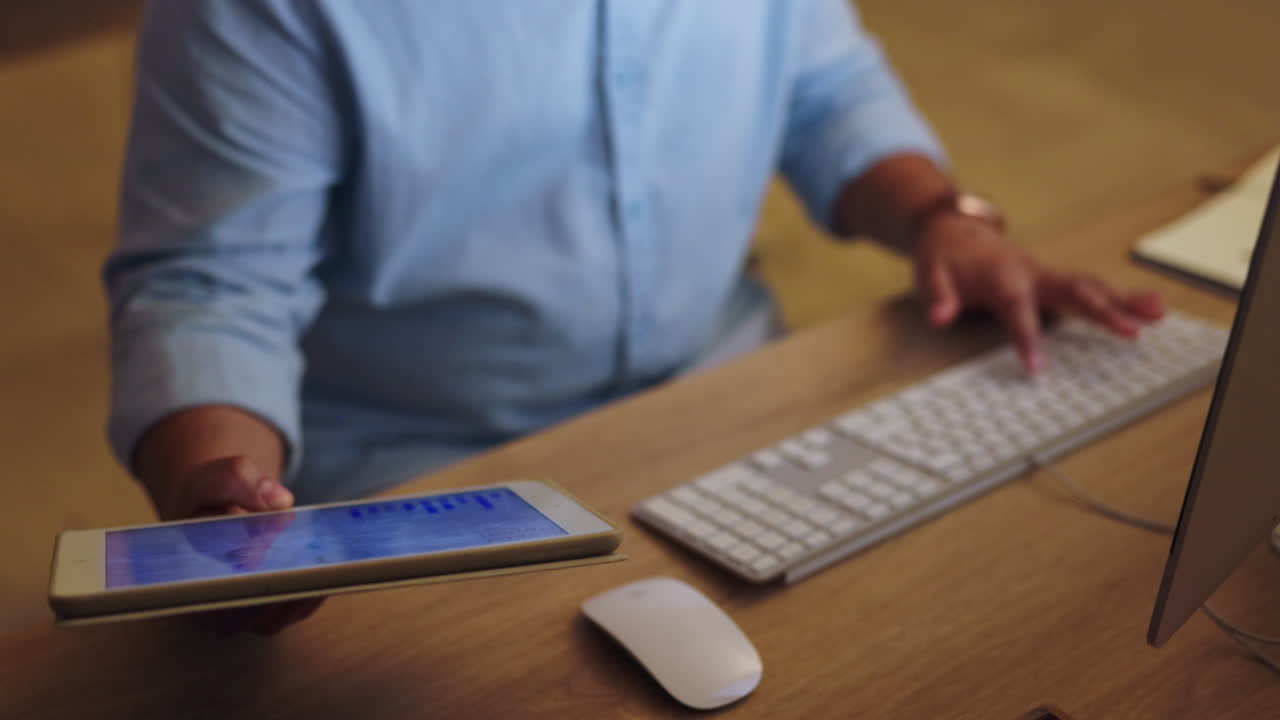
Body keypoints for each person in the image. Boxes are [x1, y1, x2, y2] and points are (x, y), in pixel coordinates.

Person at [105, 1, 1163, 631]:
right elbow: (214, 282)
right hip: (428, 476)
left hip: (734, 392)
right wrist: (215, 497)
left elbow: (826, 89)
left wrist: (945, 217)